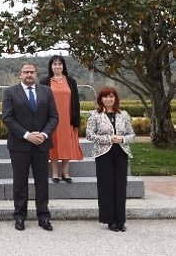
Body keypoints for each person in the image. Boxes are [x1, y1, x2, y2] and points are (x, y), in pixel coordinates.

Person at [1, 62, 58, 232]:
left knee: (42, 183)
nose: (29, 75)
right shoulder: (10, 92)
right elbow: (7, 118)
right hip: (20, 145)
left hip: (41, 144)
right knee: (20, 183)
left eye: (32, 72)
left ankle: (43, 217)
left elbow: (54, 117)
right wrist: (27, 135)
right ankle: (19, 216)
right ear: (20, 74)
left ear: (36, 74)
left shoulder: (46, 91)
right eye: (26, 72)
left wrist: (44, 134)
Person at [86, 87, 135, 232]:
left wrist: (122, 138)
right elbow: (89, 135)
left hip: (121, 152)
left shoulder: (123, 114)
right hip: (103, 154)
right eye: (105, 97)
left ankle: (121, 220)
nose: (108, 99)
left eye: (111, 96)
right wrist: (108, 138)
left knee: (120, 187)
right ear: (101, 99)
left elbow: (132, 134)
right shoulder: (95, 115)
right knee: (106, 187)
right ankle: (110, 220)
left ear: (115, 98)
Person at [39, 55, 83, 182]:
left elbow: (76, 103)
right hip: (51, 120)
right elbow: (41, 103)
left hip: (67, 119)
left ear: (63, 66)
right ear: (51, 66)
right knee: (53, 145)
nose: (57, 67)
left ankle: (66, 173)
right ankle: (55, 173)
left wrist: (76, 121)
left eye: (59, 64)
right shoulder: (45, 82)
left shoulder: (71, 81)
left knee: (66, 145)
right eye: (54, 64)